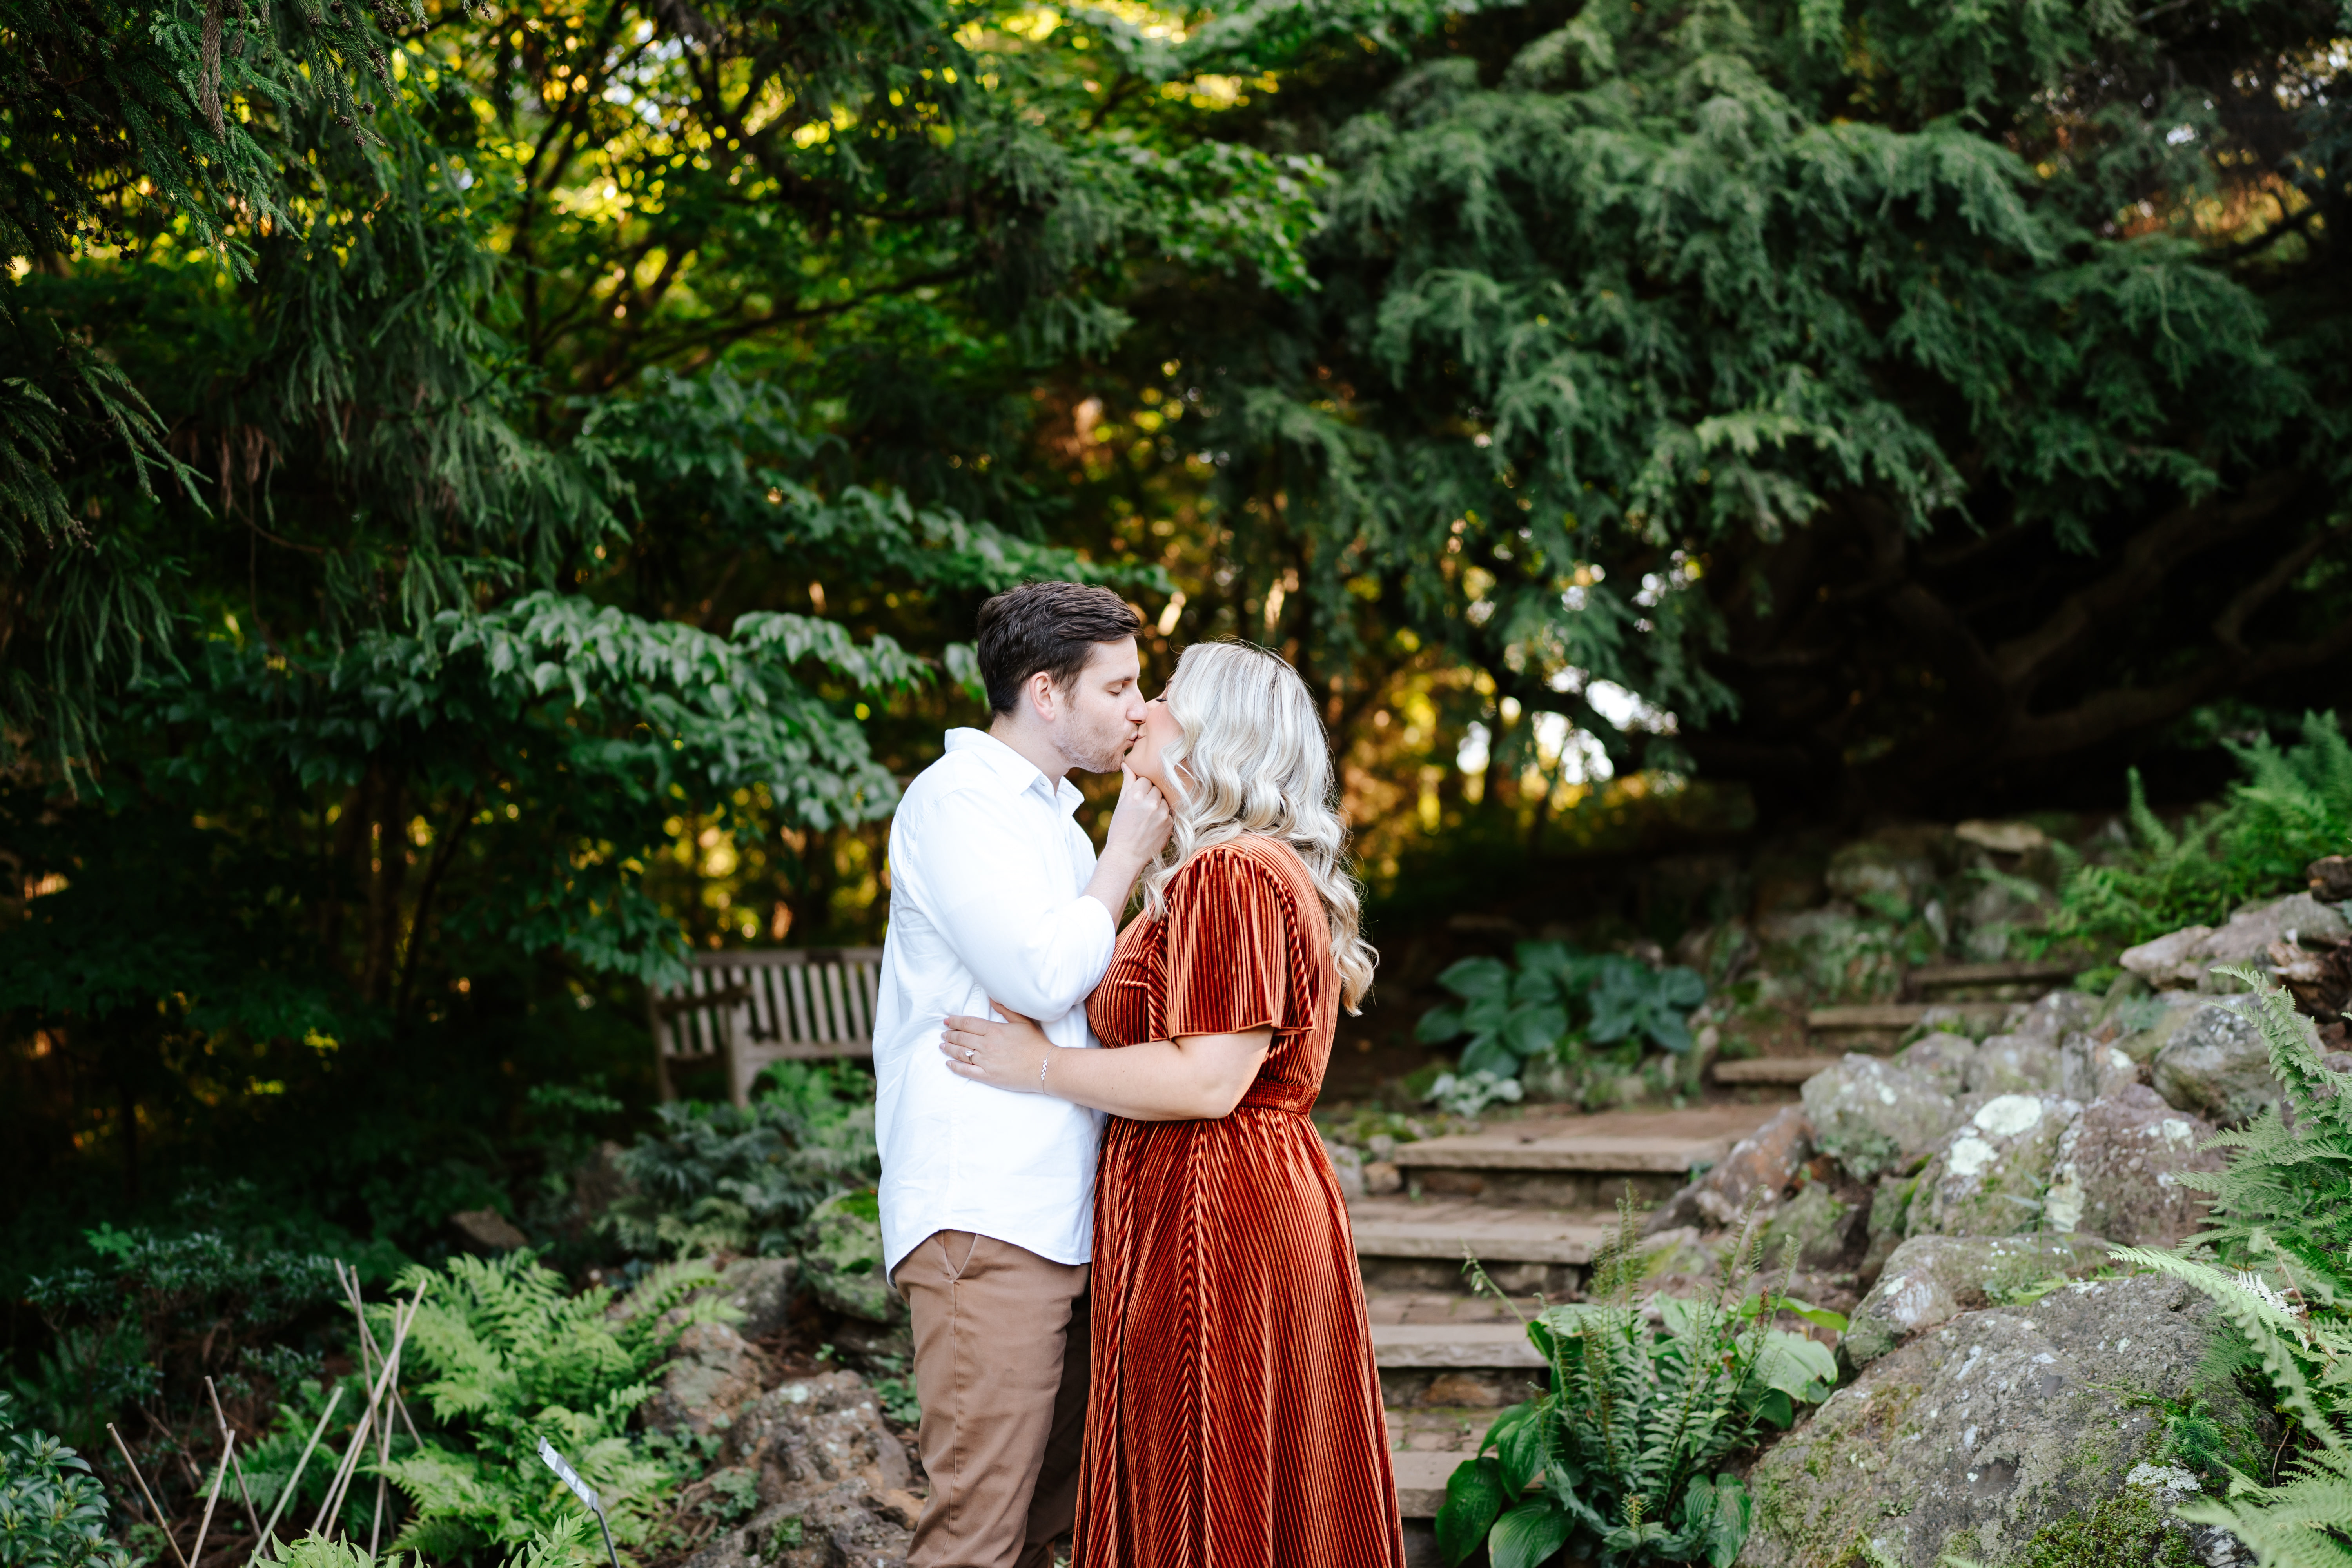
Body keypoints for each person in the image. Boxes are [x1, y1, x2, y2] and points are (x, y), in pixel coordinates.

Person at [940, 639, 1408, 1568]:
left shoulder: (1231, 874)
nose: (1143, 707)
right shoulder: (1231, 869)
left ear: (1209, 733)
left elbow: (1208, 1078)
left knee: (1209, 1473)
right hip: (1224, 1196)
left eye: (1163, 696)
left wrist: (1039, 1066)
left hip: (1215, 1210)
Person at [871, 580, 1173, 1568]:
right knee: (977, 1533)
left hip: (1061, 1212)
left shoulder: (1052, 820)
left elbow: (1072, 990)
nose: (1139, 707)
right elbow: (1041, 973)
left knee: (1050, 1524)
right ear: (1046, 692)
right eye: (1120, 686)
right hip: (983, 1215)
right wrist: (1126, 850)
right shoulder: (958, 803)